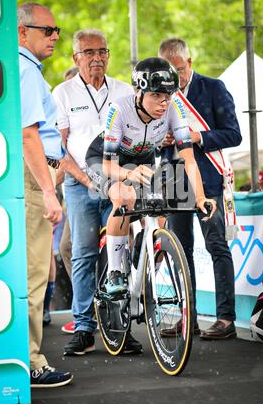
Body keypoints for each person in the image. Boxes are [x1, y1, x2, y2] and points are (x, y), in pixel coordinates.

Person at [85, 57, 216, 309]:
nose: (163, 102)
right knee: (124, 197)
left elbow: (188, 159)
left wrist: (200, 197)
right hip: (106, 160)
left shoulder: (173, 108)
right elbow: (110, 165)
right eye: (156, 95)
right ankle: (115, 273)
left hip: (142, 159)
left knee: (161, 212)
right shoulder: (119, 109)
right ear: (139, 92)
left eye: (168, 95)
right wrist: (127, 175)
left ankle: (143, 267)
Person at [52, 28, 136, 355]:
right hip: (80, 183)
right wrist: (88, 181)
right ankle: (85, 327)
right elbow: (59, 147)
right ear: (76, 58)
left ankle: (120, 327)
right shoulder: (62, 93)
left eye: (102, 51)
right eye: (89, 53)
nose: (97, 58)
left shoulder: (125, 91)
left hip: (118, 183)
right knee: (84, 252)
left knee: (118, 254)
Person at [158, 38, 242, 340]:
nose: (175, 78)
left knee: (217, 246)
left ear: (189, 62)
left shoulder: (213, 88)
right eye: (169, 72)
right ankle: (187, 317)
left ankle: (225, 318)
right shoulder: (159, 92)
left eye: (179, 70)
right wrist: (161, 141)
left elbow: (234, 134)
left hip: (208, 179)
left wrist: (198, 136)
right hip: (173, 179)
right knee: (180, 251)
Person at [18, 2, 73, 387]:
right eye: (47, 30)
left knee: (35, 272)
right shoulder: (24, 70)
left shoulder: (25, 70)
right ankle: (31, 363)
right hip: (34, 179)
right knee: (34, 275)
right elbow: (29, 135)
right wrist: (48, 192)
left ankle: (28, 359)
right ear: (22, 32)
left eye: (56, 31)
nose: (55, 36)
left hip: (37, 175)